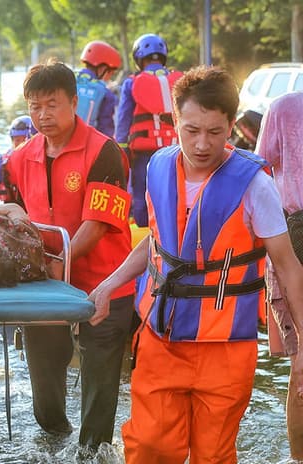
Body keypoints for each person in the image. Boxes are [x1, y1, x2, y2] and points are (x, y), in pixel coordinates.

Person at [90, 66, 303, 463]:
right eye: (191, 130)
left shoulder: (257, 186)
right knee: (150, 449)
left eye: (215, 132)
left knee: (213, 455)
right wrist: (107, 286)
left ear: (232, 126)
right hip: (161, 341)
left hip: (226, 348)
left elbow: (288, 267)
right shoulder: (156, 168)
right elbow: (157, 244)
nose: (202, 144)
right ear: (175, 120)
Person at [4, 61, 135, 448]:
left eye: (52, 104)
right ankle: (54, 441)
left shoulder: (104, 151)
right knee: (43, 376)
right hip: (44, 285)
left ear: (74, 102)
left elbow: (96, 225)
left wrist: (55, 264)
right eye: (34, 106)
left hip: (105, 280)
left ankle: (91, 452)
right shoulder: (19, 157)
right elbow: (16, 218)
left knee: (101, 379)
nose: (42, 115)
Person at [255, 91, 303, 461]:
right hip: (295, 239)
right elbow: (258, 173)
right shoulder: (285, 108)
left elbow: (259, 170)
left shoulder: (285, 107)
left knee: (301, 367)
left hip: (294, 235)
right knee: (301, 366)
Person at [115, 33, 183, 227]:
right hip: (175, 148)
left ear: (139, 58)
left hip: (144, 151)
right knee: (174, 191)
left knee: (142, 193)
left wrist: (122, 146)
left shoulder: (131, 82)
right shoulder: (179, 79)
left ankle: (145, 234)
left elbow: (123, 118)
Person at [0, 115, 36, 206]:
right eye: (17, 140)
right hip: (13, 208)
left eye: (24, 140)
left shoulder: (44, 158)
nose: (20, 145)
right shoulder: (4, 161)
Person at [76, 40, 121, 137]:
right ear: (102, 68)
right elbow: (105, 128)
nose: (110, 77)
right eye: (110, 73)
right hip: (85, 145)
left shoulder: (66, 79)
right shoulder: (105, 93)